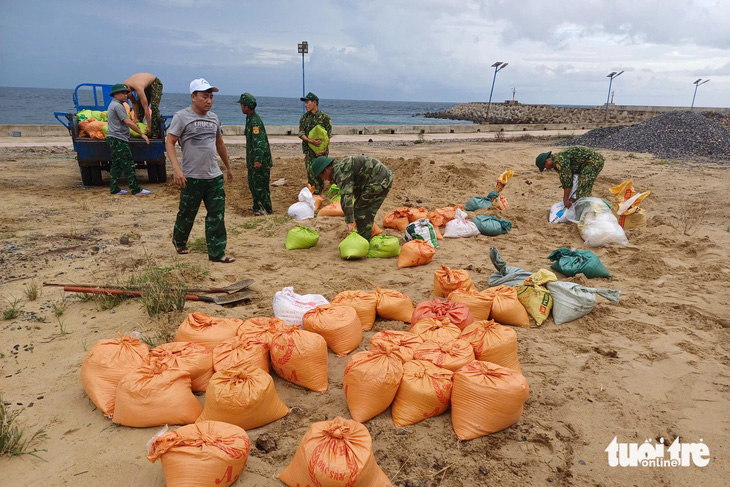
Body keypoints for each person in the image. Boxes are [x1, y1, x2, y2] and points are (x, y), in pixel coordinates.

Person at [166, 78, 235, 263]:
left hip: (214, 176)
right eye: (205, 96)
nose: (209, 101)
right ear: (193, 97)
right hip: (192, 177)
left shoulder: (214, 118)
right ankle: (179, 242)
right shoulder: (182, 117)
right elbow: (170, 142)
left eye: (211, 97)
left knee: (217, 215)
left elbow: (219, 143)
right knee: (187, 213)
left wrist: (227, 167)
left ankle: (217, 253)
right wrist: (176, 169)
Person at [310, 155, 393, 241]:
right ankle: (365, 234)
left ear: (326, 170)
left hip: (380, 179)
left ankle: (364, 240)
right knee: (361, 208)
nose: (323, 179)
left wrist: (349, 222)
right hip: (379, 178)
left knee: (362, 211)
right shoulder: (339, 169)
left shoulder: (340, 172)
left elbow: (346, 196)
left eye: (320, 176)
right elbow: (356, 188)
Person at [105, 83, 150, 195]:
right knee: (128, 164)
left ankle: (114, 188)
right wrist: (142, 134)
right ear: (115, 94)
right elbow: (128, 121)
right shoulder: (117, 106)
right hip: (118, 138)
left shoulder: (114, 105)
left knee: (117, 164)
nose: (126, 95)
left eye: (126, 93)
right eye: (122, 93)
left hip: (114, 138)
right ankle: (135, 189)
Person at [535, 146, 605, 209]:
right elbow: (568, 179)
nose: (547, 169)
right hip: (587, 163)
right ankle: (582, 211)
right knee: (578, 192)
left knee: (583, 190)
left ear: (546, 161)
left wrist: (565, 200)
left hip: (593, 161)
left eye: (545, 167)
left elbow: (567, 182)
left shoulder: (559, 160)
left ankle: (586, 213)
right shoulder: (557, 160)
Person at [237, 92, 273, 215]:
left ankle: (266, 209)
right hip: (253, 160)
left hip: (260, 161)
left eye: (242, 105)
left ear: (246, 107)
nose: (241, 107)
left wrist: (258, 160)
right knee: (253, 184)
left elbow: (260, 143)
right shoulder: (250, 119)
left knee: (260, 186)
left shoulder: (255, 122)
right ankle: (257, 206)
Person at [298, 92, 332, 195]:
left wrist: (323, 150)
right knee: (311, 172)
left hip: (322, 151)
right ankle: (313, 192)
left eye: (307, 102)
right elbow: (301, 133)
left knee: (321, 173)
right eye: (305, 103)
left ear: (314, 103)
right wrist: (310, 141)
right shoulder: (304, 118)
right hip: (309, 152)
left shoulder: (324, 117)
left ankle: (319, 192)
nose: (306, 105)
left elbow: (328, 135)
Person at [124, 73, 163, 138]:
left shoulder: (138, 87)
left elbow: (146, 108)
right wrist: (136, 118)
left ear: (130, 92)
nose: (129, 97)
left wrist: (149, 127)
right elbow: (134, 103)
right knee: (139, 106)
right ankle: (140, 129)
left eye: (128, 96)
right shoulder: (125, 86)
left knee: (154, 107)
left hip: (155, 83)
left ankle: (155, 131)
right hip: (144, 84)